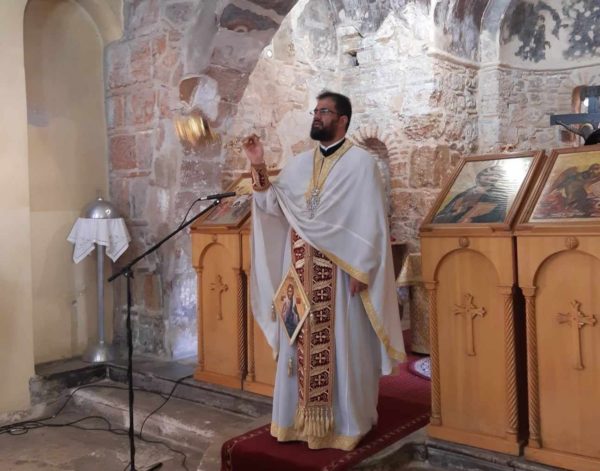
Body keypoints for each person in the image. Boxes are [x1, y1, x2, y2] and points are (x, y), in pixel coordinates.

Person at [242, 91, 405, 451]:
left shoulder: (362, 165)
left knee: (345, 348)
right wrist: (258, 165)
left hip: (341, 274)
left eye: (325, 111)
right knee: (295, 345)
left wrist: (363, 269)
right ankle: (294, 421)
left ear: (343, 120)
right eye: (315, 111)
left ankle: (346, 424)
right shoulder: (299, 165)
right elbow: (272, 206)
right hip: (298, 274)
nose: (317, 116)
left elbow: (372, 221)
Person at [433, 164, 510, 224]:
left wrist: (471, 219)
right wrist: (455, 214)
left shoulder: (499, 194)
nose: (488, 177)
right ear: (479, 176)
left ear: (497, 179)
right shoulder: (463, 194)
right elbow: (441, 215)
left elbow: (497, 216)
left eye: (494, 175)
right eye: (486, 174)